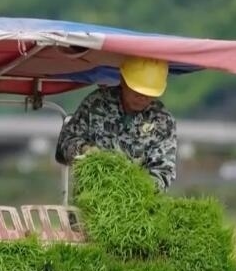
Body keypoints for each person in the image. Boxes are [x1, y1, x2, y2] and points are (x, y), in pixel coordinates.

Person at [55, 56, 177, 191]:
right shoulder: (97, 103)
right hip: (91, 193)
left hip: (135, 198)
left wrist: (134, 187)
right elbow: (65, 143)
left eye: (149, 94)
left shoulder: (162, 121)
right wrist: (84, 149)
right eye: (137, 91)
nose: (142, 97)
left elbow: (163, 172)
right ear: (122, 80)